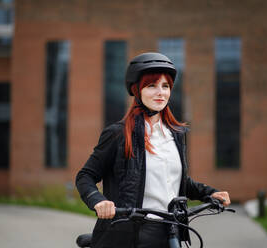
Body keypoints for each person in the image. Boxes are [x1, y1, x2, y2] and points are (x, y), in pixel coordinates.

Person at [76, 52, 231, 248]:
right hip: (130, 233)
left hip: (171, 229)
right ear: (136, 90)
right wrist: (98, 201)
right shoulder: (118, 134)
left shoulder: (176, 134)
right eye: (152, 86)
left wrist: (209, 193)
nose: (160, 92)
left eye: (165, 86)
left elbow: (176, 182)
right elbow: (85, 176)